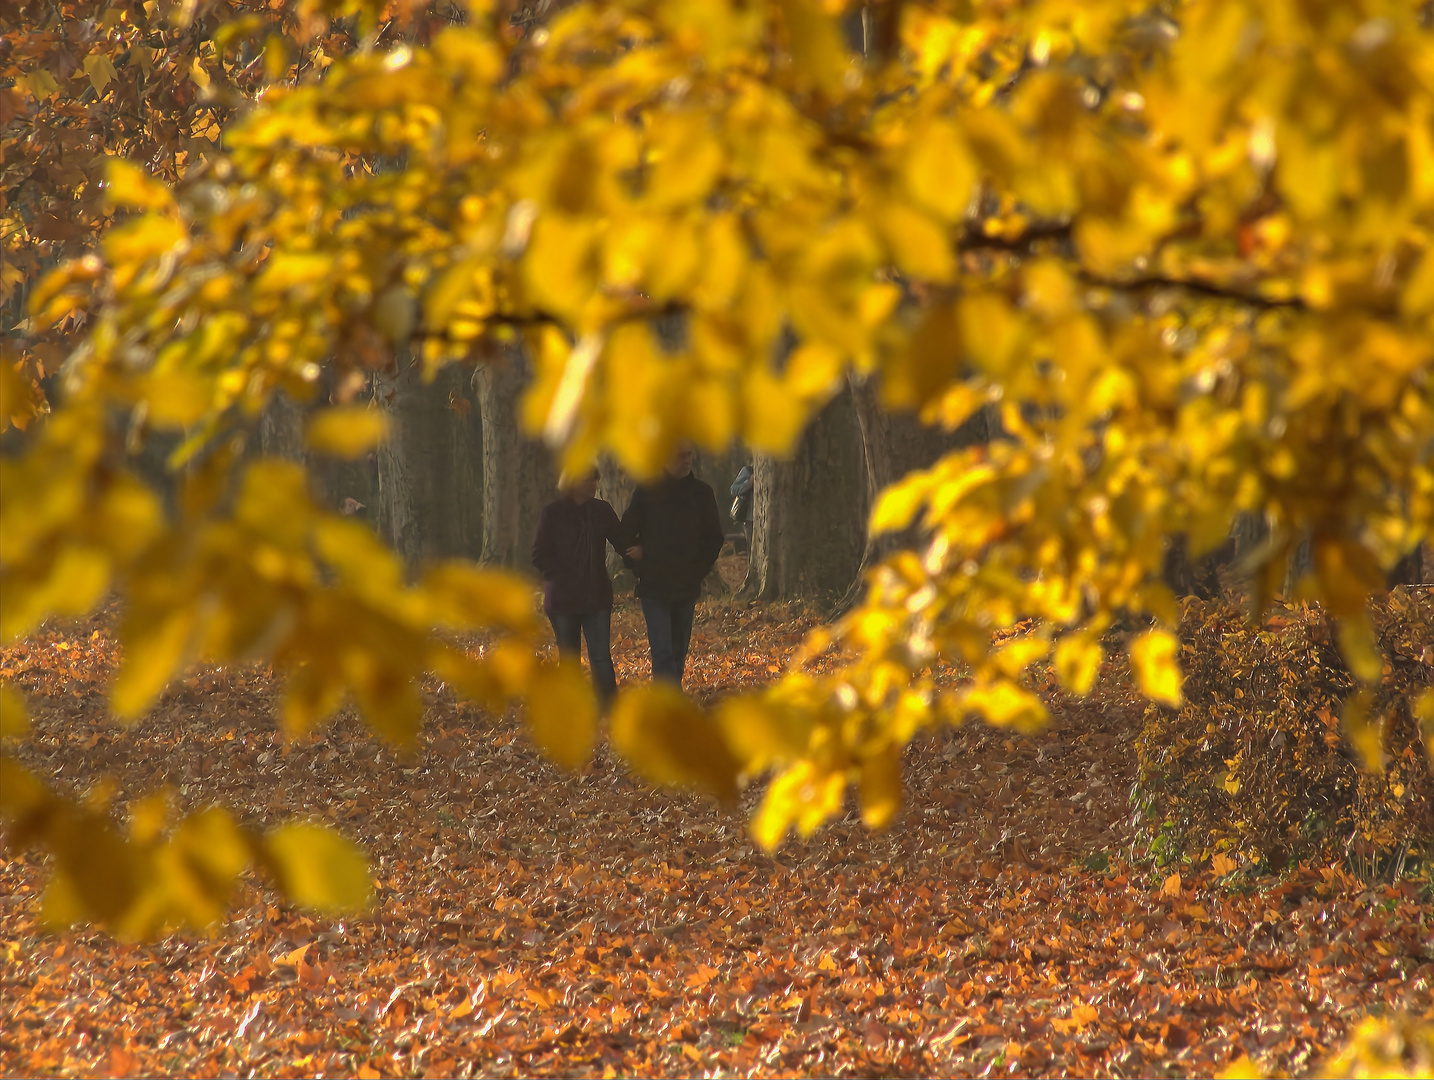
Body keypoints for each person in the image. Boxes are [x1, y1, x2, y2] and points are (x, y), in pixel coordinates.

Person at [621, 442, 725, 687]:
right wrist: (636, 559)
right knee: (663, 651)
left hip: (686, 587)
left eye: (689, 454)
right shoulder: (647, 491)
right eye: (680, 455)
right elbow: (624, 533)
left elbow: (713, 538)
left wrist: (697, 570)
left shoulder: (702, 493)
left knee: (678, 652)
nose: (686, 460)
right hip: (654, 586)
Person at [531, 467, 623, 707]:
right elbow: (539, 554)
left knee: (601, 655)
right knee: (569, 658)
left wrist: (637, 552)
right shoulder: (553, 513)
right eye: (586, 479)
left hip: (597, 597)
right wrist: (561, 577)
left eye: (595, 479)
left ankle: (608, 708)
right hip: (563, 600)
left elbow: (622, 539)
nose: (592, 484)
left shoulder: (601, 511)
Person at [729, 461, 754, 553]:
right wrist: (749, 483)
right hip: (750, 519)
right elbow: (734, 489)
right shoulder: (748, 470)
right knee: (752, 551)